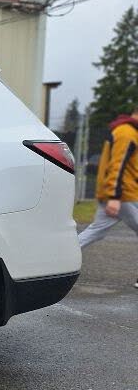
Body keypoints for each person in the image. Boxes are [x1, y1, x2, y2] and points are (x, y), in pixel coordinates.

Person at [78, 104, 138, 288]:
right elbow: (116, 166)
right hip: (122, 195)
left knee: (96, 231)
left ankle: (56, 257)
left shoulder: (129, 132)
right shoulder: (127, 133)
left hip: (119, 194)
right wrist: (114, 196)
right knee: (96, 231)